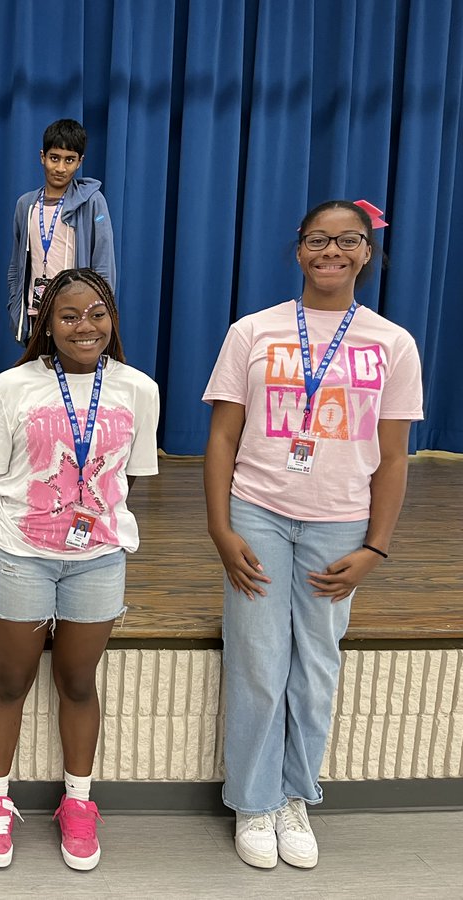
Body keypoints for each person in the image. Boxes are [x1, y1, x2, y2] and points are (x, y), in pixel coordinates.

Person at [203, 200, 423, 870]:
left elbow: (392, 458)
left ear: (366, 251)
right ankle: (253, 800)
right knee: (259, 661)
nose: (332, 251)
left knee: (317, 665)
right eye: (317, 240)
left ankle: (296, 793)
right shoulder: (253, 332)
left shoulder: (392, 343)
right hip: (259, 512)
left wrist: (375, 546)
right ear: (298, 250)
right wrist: (220, 527)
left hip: (339, 522)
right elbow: (222, 436)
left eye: (347, 241)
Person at [0, 268, 159, 871]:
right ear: (46, 323)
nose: (85, 326)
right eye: (70, 315)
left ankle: (78, 801)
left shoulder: (139, 390)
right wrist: (21, 530)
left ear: (113, 320)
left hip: (97, 560)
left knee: (78, 683)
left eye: (97, 314)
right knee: (12, 680)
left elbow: (129, 479)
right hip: (22, 556)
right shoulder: (11, 386)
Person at [6, 119, 116, 344]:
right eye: (54, 158)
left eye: (69, 160)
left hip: (77, 316)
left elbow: (103, 264)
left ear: (79, 162)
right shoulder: (25, 205)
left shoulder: (92, 202)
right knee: (40, 377)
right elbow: (16, 266)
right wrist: (15, 307)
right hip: (36, 314)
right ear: (42, 157)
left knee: (73, 378)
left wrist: (97, 314)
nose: (60, 168)